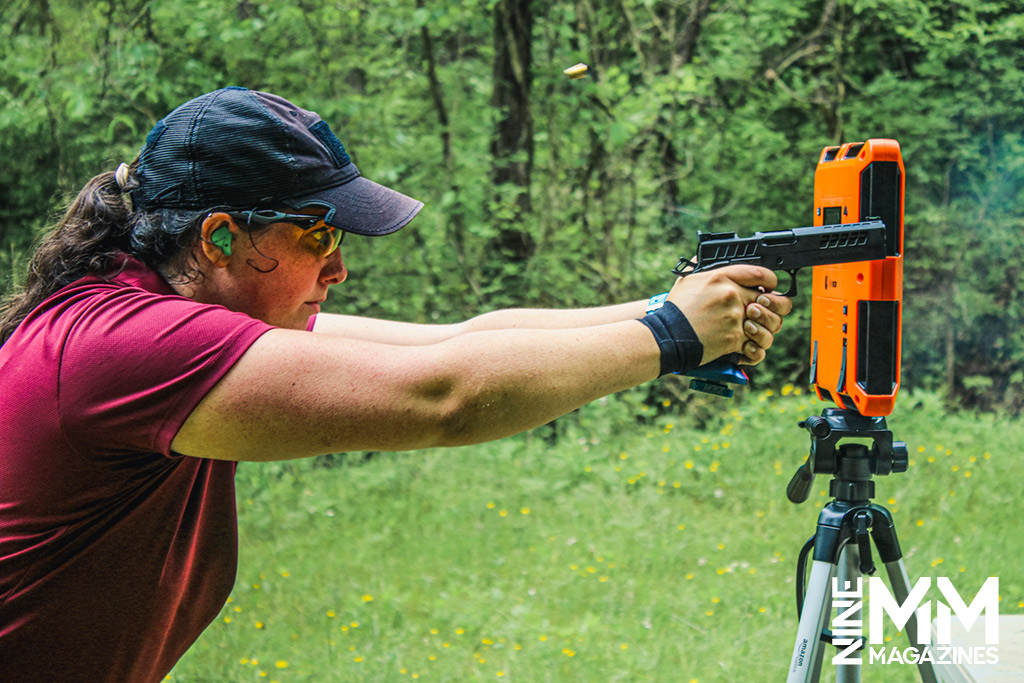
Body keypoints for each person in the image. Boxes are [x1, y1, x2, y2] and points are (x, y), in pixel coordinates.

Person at [0, 86, 791, 682]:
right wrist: (672, 336)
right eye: (318, 233)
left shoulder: (150, 313)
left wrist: (671, 307)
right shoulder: (124, 344)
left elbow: (459, 341)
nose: (339, 267)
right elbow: (442, 398)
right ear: (218, 236)